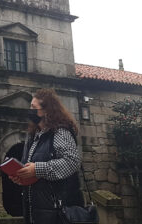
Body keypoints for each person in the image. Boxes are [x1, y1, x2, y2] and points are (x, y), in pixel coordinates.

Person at [10, 88, 84, 224]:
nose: (30, 110)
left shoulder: (60, 132)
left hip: (58, 212)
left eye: (33, 107)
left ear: (46, 110)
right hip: (35, 212)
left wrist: (37, 169)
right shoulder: (32, 137)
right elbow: (29, 167)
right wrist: (22, 175)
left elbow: (72, 161)